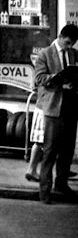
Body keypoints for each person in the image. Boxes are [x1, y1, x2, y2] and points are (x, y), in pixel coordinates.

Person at [33, 24, 78, 204]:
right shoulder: (45, 54)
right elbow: (39, 79)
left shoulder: (74, 54)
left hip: (71, 107)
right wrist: (59, 81)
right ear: (60, 36)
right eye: (68, 42)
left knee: (67, 150)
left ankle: (61, 184)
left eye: (73, 43)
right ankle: (44, 190)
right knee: (50, 150)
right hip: (53, 108)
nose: (69, 46)